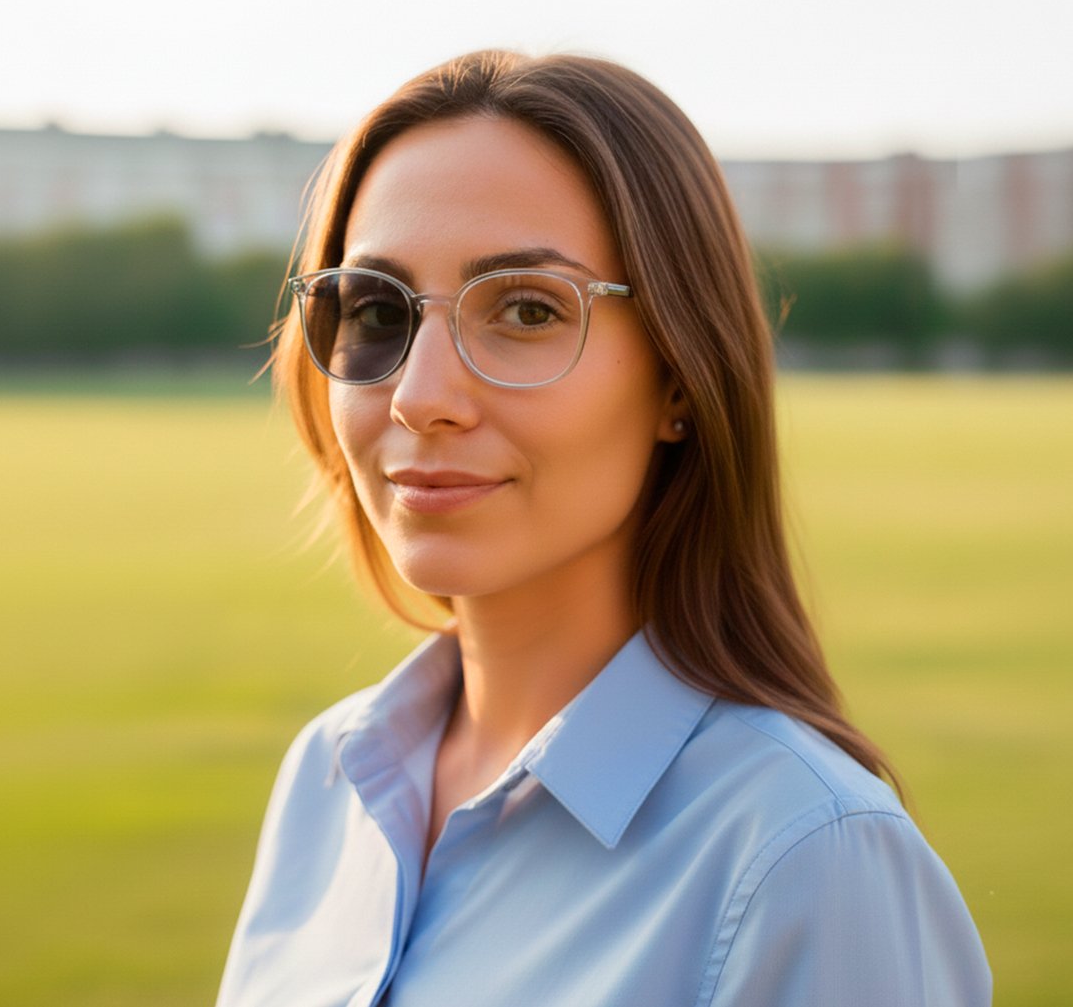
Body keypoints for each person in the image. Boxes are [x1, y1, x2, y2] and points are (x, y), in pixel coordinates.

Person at [217, 51, 990, 1006]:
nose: (419, 396)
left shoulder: (806, 860)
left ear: (679, 380)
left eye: (527, 310)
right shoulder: (329, 777)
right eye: (375, 309)